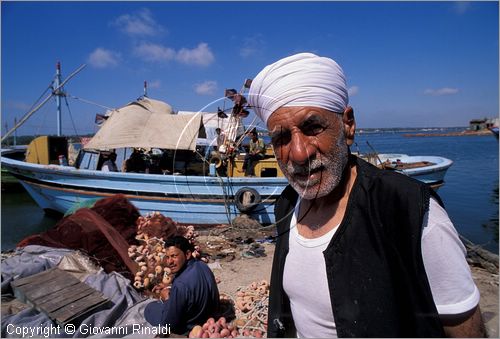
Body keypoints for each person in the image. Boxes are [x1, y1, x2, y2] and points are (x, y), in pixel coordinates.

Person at [248, 53, 485, 338]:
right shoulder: (287, 204)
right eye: (281, 137)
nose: (299, 153)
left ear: (347, 125)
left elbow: (463, 328)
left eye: (313, 128)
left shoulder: (409, 210)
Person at [144, 236, 220, 335]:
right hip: (210, 317)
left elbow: (170, 324)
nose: (169, 262)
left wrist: (167, 299)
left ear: (187, 254)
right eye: (167, 257)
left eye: (174, 256)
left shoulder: (181, 284)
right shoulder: (202, 265)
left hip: (191, 326)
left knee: (150, 308)